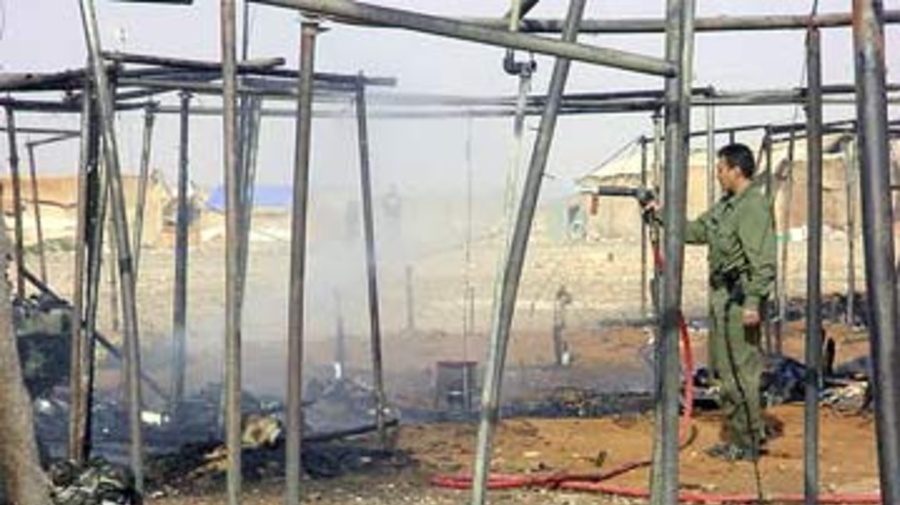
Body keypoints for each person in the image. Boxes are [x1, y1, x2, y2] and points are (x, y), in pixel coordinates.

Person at [647, 143, 776, 462]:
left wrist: (753, 302)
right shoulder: (726, 207)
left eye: (721, 169)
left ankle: (749, 441)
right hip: (722, 299)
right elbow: (695, 230)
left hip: (740, 300)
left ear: (736, 170)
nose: (718, 175)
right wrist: (659, 214)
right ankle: (737, 437)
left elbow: (763, 261)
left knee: (742, 373)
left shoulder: (753, 207)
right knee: (724, 372)